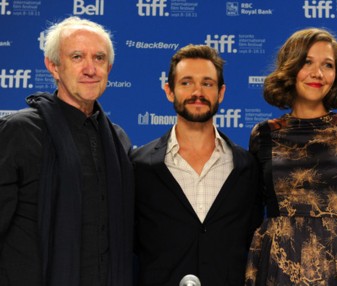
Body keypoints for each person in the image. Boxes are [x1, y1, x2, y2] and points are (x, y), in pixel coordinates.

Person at [244, 28, 337, 285]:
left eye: (327, 65)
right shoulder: (264, 134)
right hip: (278, 264)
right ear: (290, 67)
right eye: (307, 62)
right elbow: (251, 208)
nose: (317, 74)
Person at [0, 16, 134, 286]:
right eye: (76, 57)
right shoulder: (19, 131)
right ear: (53, 66)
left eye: (98, 58)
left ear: (109, 67)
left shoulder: (119, 141)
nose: (90, 69)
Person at [131, 44, 263, 286]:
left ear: (221, 93)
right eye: (186, 82)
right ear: (169, 91)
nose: (197, 92)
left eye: (207, 83)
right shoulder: (139, 166)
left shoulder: (247, 167)